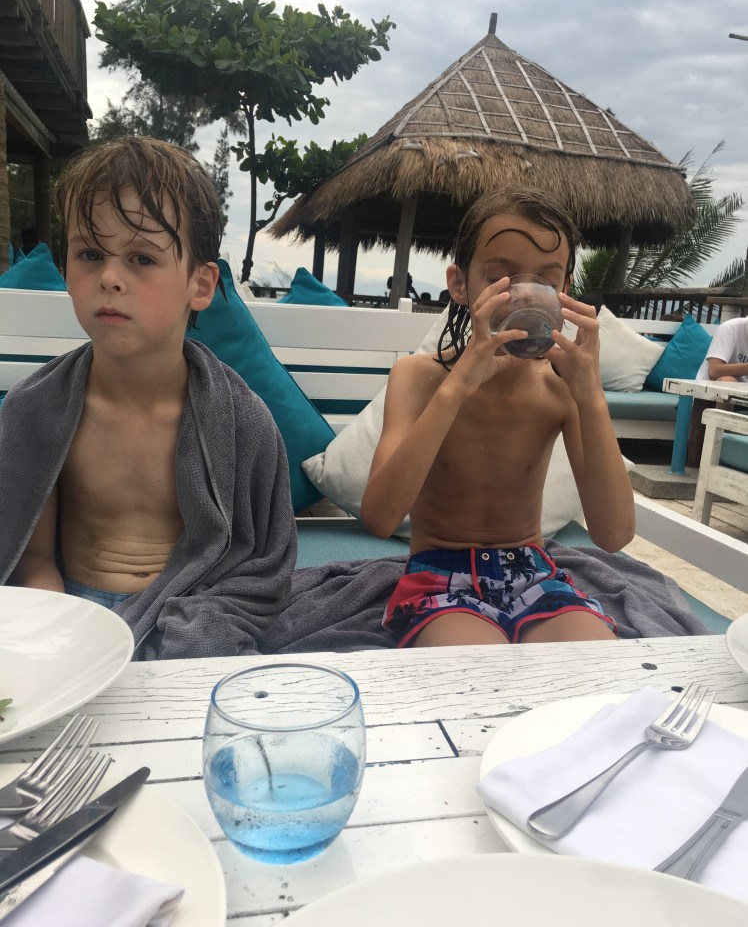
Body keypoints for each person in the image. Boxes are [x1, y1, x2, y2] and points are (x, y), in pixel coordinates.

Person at [0, 136, 296, 659]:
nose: (110, 278)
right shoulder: (37, 411)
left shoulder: (241, 421)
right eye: (90, 254)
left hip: (195, 611)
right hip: (74, 615)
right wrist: (61, 638)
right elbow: (31, 557)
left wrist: (199, 630)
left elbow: (258, 569)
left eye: (141, 258)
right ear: (66, 270)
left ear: (200, 285)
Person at [360, 187, 635, 649]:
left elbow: (613, 533)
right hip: (438, 574)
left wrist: (590, 397)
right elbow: (380, 518)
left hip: (533, 572)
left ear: (564, 293)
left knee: (594, 661)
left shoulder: (560, 392)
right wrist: (457, 387)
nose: (524, 293)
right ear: (460, 284)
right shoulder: (418, 378)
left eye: (546, 280)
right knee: (479, 668)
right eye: (500, 277)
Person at [696, 316, 748, 382]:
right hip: (709, 386)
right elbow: (714, 371)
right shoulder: (730, 328)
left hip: (743, 387)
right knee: (727, 380)